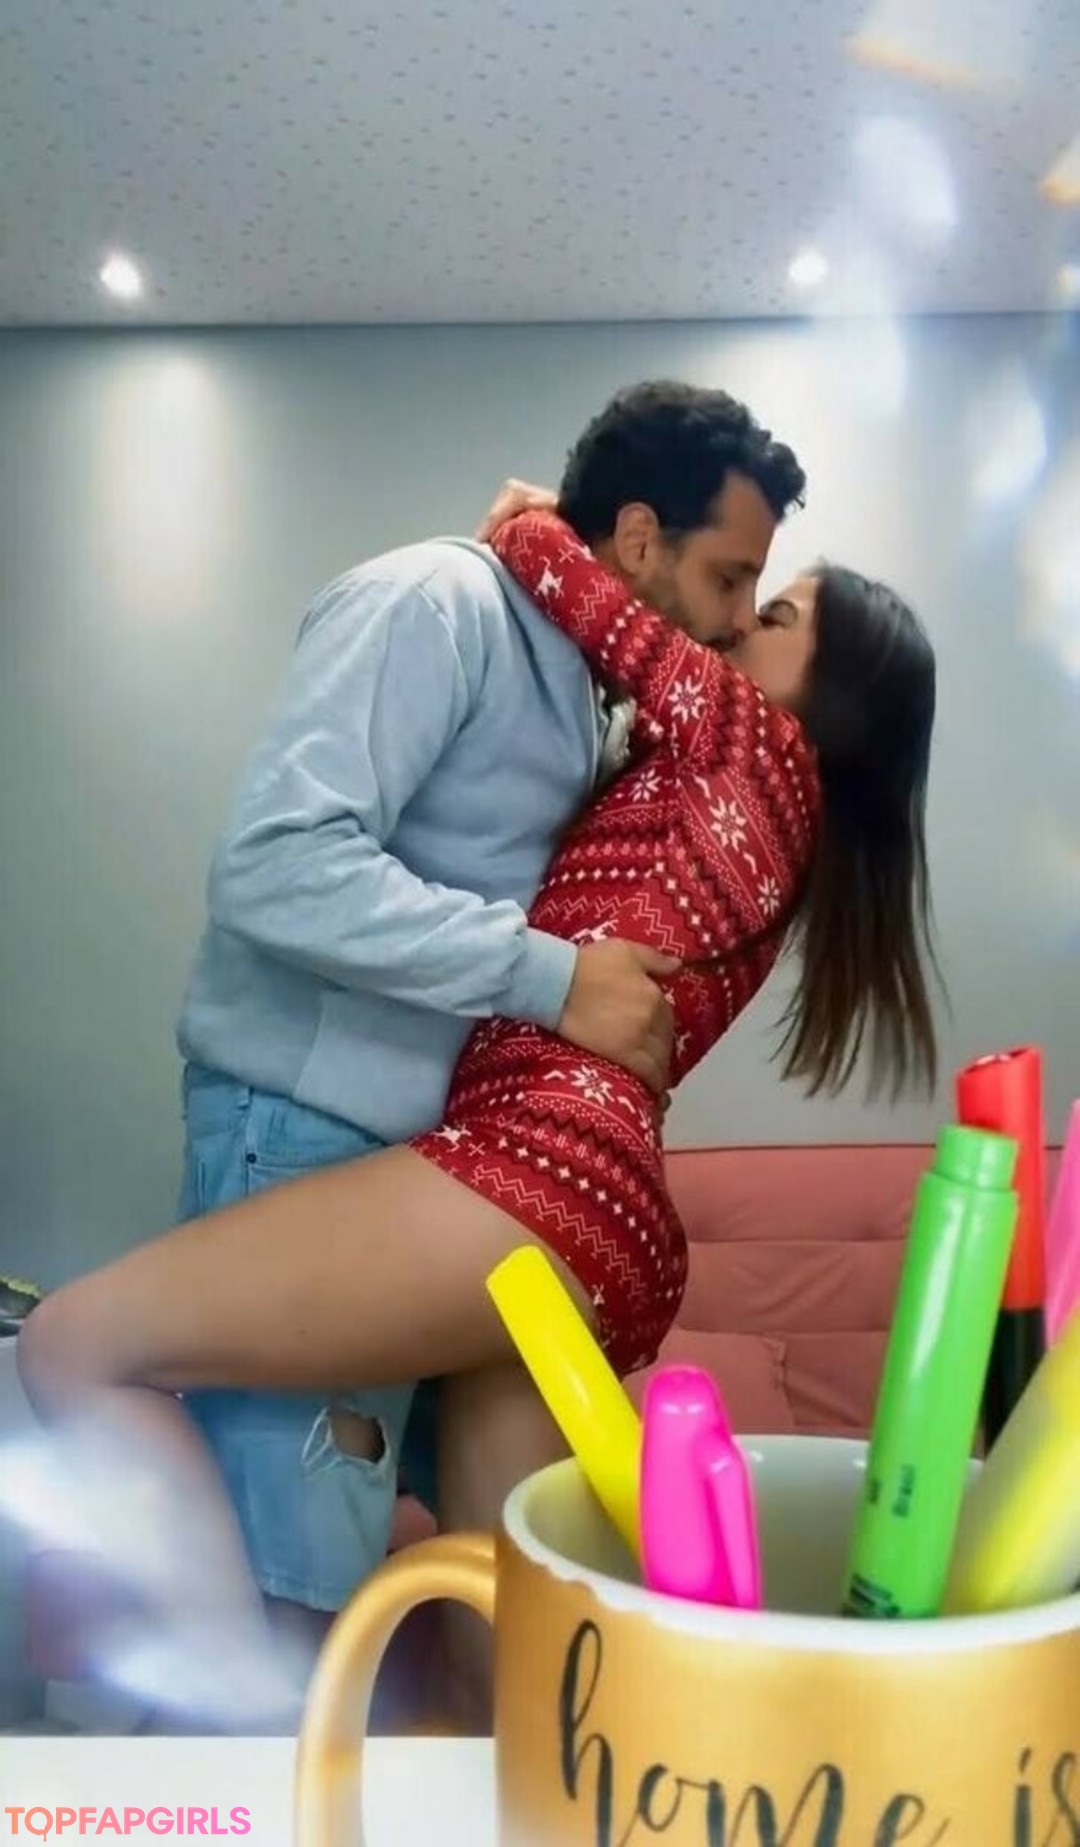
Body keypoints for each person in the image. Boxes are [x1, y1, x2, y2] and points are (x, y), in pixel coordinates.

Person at [17, 456, 939, 1728]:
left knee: (73, 1342)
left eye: (772, 612)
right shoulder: (738, 799)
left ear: (828, 700)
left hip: (539, 1173)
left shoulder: (759, 746)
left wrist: (539, 522)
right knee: (488, 1681)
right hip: (595, 1222)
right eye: (741, 589)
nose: (738, 619)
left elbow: (569, 579)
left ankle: (238, 1756)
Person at [170, 380, 798, 1660]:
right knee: (287, 1606)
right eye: (731, 577)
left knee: (400, 1588)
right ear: (639, 539)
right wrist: (553, 978)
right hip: (306, 1122)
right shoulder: (435, 601)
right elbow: (277, 866)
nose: (738, 617)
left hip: (420, 1170)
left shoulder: (581, 691)